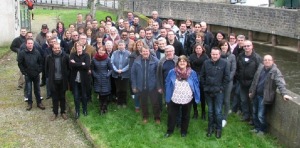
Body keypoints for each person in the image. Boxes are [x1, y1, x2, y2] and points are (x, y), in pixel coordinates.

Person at [249, 55, 292, 135]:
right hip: (256, 94)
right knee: (254, 112)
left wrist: (284, 94)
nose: (267, 61)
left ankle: (262, 130)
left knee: (260, 115)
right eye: (265, 60)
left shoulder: (275, 71)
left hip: (264, 96)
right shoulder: (260, 68)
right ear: (263, 61)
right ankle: (257, 128)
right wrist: (251, 91)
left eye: (269, 60)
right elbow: (255, 81)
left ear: (273, 61)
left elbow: (280, 83)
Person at [164, 55, 200, 138]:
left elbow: (196, 84)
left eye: (184, 61)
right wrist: (167, 95)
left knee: (186, 116)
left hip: (187, 98)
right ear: (178, 63)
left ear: (187, 63)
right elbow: (167, 82)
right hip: (174, 97)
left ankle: (183, 132)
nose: (182, 63)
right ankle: (169, 131)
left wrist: (196, 95)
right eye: (180, 61)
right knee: (171, 115)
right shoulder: (172, 72)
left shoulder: (192, 73)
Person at [200, 47, 230, 138]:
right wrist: (205, 87)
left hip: (219, 92)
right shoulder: (206, 63)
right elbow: (202, 76)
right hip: (208, 91)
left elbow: (227, 77)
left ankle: (218, 129)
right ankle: (210, 128)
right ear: (210, 54)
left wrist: (221, 88)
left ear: (219, 54)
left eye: (216, 54)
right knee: (210, 111)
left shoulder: (225, 63)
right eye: (213, 54)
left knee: (218, 111)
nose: (214, 56)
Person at [131, 47, 160, 124]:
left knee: (155, 103)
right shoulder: (136, 61)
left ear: (149, 52)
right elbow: (133, 74)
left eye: (146, 51)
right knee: (143, 103)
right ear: (141, 52)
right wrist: (134, 86)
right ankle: (145, 117)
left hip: (152, 86)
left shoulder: (155, 60)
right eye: (143, 51)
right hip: (141, 86)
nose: (145, 53)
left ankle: (157, 117)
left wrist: (158, 86)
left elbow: (158, 74)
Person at [236, 40, 262, 123]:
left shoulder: (257, 58)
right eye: (245, 46)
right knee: (243, 100)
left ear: (252, 46)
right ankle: (245, 115)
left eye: (248, 46)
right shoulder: (240, 56)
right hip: (242, 83)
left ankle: (252, 118)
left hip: (252, 84)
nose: (246, 48)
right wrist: (239, 77)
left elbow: (259, 71)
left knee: (252, 102)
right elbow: (237, 68)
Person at [17, 38, 45, 111]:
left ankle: (39, 103)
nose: (30, 44)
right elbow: (20, 63)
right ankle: (30, 103)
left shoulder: (37, 52)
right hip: (27, 75)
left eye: (31, 43)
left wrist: (39, 71)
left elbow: (41, 63)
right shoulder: (22, 53)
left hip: (36, 74)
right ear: (26, 44)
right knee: (29, 90)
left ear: (33, 44)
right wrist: (24, 72)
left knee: (37, 89)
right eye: (28, 43)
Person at [45, 43, 69, 121]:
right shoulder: (49, 57)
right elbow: (46, 68)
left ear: (60, 48)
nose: (57, 49)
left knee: (62, 97)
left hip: (62, 80)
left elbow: (68, 68)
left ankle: (63, 112)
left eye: (58, 48)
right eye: (55, 48)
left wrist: (66, 76)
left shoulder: (65, 57)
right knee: (54, 98)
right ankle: (55, 113)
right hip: (53, 81)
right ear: (52, 49)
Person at [70, 42, 91, 119]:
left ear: (83, 47)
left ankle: (85, 110)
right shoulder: (72, 55)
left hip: (84, 79)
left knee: (84, 95)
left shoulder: (86, 55)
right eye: (77, 46)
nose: (79, 47)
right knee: (76, 96)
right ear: (75, 47)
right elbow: (71, 65)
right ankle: (77, 111)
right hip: (75, 79)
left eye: (80, 46)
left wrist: (76, 63)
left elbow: (87, 66)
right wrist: (81, 63)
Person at [219, 40, 236, 127]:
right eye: (222, 45)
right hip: (219, 81)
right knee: (219, 99)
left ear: (228, 46)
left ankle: (224, 118)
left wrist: (228, 79)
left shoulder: (232, 56)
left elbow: (233, 69)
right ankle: (219, 114)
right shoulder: (218, 55)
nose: (224, 47)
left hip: (228, 81)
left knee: (226, 99)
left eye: (225, 45)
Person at [189, 44, 209, 120]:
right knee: (194, 94)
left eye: (199, 48)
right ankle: (195, 111)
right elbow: (189, 66)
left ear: (202, 49)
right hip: (193, 76)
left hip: (202, 76)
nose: (198, 49)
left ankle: (203, 112)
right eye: (197, 48)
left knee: (202, 95)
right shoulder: (191, 56)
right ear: (194, 49)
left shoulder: (206, 57)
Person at [91, 46, 113, 115]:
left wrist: (107, 75)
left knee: (105, 93)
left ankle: (104, 107)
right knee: (100, 93)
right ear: (98, 51)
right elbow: (92, 69)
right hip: (97, 78)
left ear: (105, 52)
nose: (101, 51)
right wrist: (94, 75)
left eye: (103, 50)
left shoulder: (107, 59)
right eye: (100, 50)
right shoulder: (94, 59)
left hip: (105, 78)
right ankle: (101, 107)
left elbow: (111, 69)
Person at [111, 40, 131, 107]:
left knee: (124, 89)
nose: (121, 46)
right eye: (119, 45)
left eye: (122, 45)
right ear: (118, 46)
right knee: (118, 89)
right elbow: (112, 63)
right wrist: (116, 70)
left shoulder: (128, 53)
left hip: (125, 75)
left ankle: (124, 102)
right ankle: (119, 103)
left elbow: (129, 64)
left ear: (124, 46)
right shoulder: (114, 53)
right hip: (116, 74)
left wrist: (122, 70)